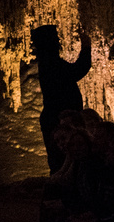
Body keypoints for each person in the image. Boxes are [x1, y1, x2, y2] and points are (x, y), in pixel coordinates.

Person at [34, 24, 93, 174]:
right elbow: (79, 70)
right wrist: (86, 47)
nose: (59, 43)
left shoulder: (47, 63)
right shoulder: (51, 63)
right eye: (56, 40)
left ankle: (60, 185)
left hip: (55, 118)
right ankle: (63, 189)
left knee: (60, 159)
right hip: (59, 120)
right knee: (64, 157)